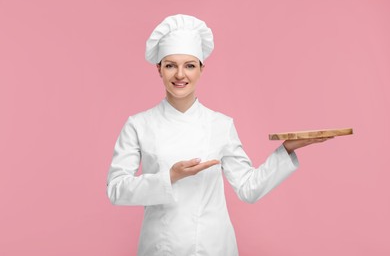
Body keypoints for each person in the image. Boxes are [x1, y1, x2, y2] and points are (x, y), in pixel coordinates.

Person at [106, 14, 330, 256]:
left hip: (214, 247)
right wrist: (170, 176)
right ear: (159, 69)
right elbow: (116, 189)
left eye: (190, 65)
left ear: (202, 69)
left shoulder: (220, 124)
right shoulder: (139, 125)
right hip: (161, 248)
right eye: (170, 65)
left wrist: (287, 149)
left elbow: (248, 188)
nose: (180, 75)